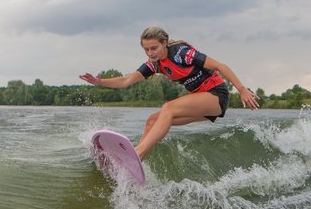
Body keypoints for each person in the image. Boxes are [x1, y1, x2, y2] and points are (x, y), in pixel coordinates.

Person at [80, 26, 260, 160]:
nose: (150, 53)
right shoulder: (155, 64)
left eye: (154, 48)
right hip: (200, 102)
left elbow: (220, 66)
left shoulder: (182, 53)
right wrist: (100, 82)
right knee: (152, 120)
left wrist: (242, 90)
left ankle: (137, 153)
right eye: (146, 49)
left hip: (216, 95)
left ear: (164, 43)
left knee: (168, 107)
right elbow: (126, 80)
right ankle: (136, 162)